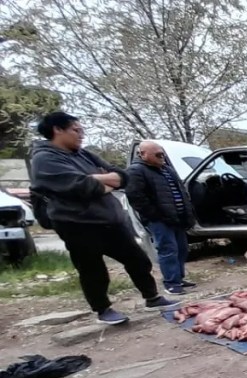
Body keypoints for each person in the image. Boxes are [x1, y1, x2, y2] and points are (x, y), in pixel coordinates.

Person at [28, 112, 176, 325]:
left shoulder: (84, 154)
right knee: (92, 269)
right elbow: (81, 186)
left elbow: (123, 176)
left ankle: (151, 297)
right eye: (76, 130)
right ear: (57, 130)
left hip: (110, 219)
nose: (81, 135)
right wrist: (100, 184)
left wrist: (99, 182)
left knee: (137, 259)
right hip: (77, 223)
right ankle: (103, 309)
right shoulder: (45, 159)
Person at [125, 141, 197, 295]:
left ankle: (178, 278)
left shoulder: (166, 169)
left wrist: (187, 213)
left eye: (162, 154)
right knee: (167, 249)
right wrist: (155, 215)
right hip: (160, 220)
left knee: (182, 249)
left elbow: (181, 192)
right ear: (143, 154)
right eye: (157, 154)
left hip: (177, 217)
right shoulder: (136, 171)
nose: (162, 157)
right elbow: (136, 197)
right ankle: (171, 283)